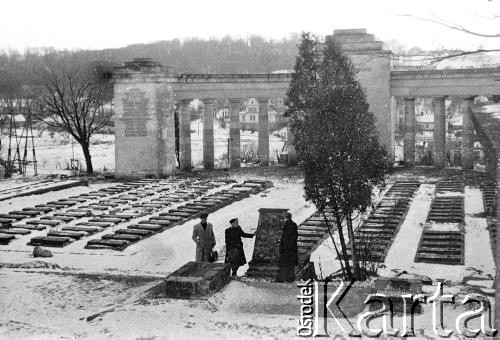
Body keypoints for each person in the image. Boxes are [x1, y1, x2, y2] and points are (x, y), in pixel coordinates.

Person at [276, 211, 298, 283]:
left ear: (285, 217)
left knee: (284, 264)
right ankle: (289, 278)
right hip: (291, 248)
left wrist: (284, 246)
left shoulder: (286, 225)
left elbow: (286, 237)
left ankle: (282, 279)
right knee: (290, 264)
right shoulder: (293, 225)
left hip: (286, 248)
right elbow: (294, 237)